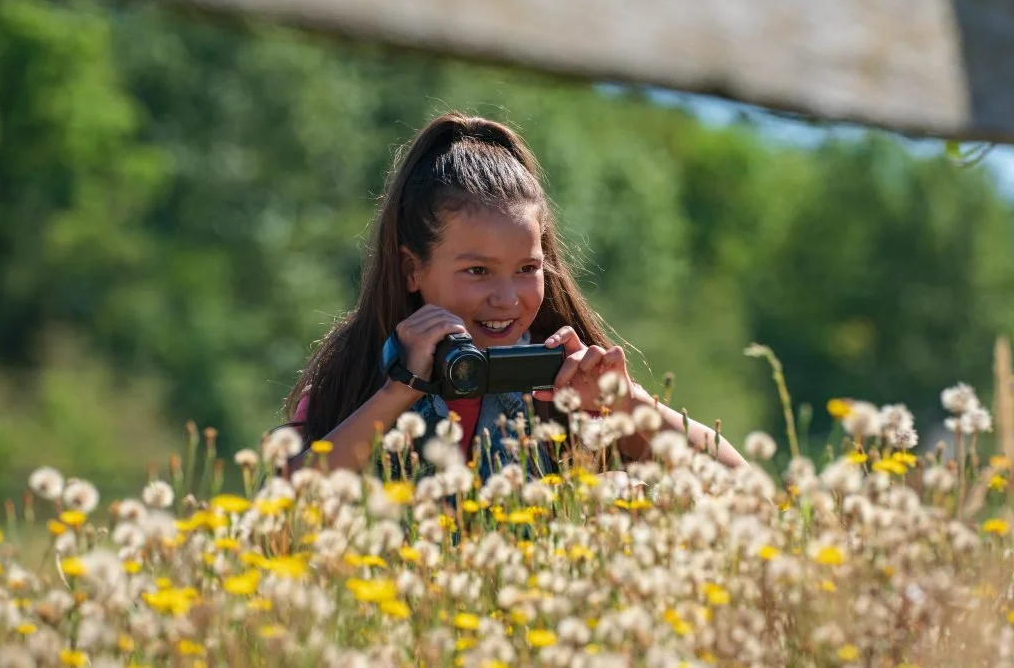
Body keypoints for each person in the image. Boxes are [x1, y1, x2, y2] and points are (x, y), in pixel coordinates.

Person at [283, 112, 744, 477]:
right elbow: (277, 514)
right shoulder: (358, 371)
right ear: (411, 269)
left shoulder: (569, 378)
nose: (506, 298)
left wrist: (626, 404)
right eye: (478, 271)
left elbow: (746, 492)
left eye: (528, 269)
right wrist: (397, 391)